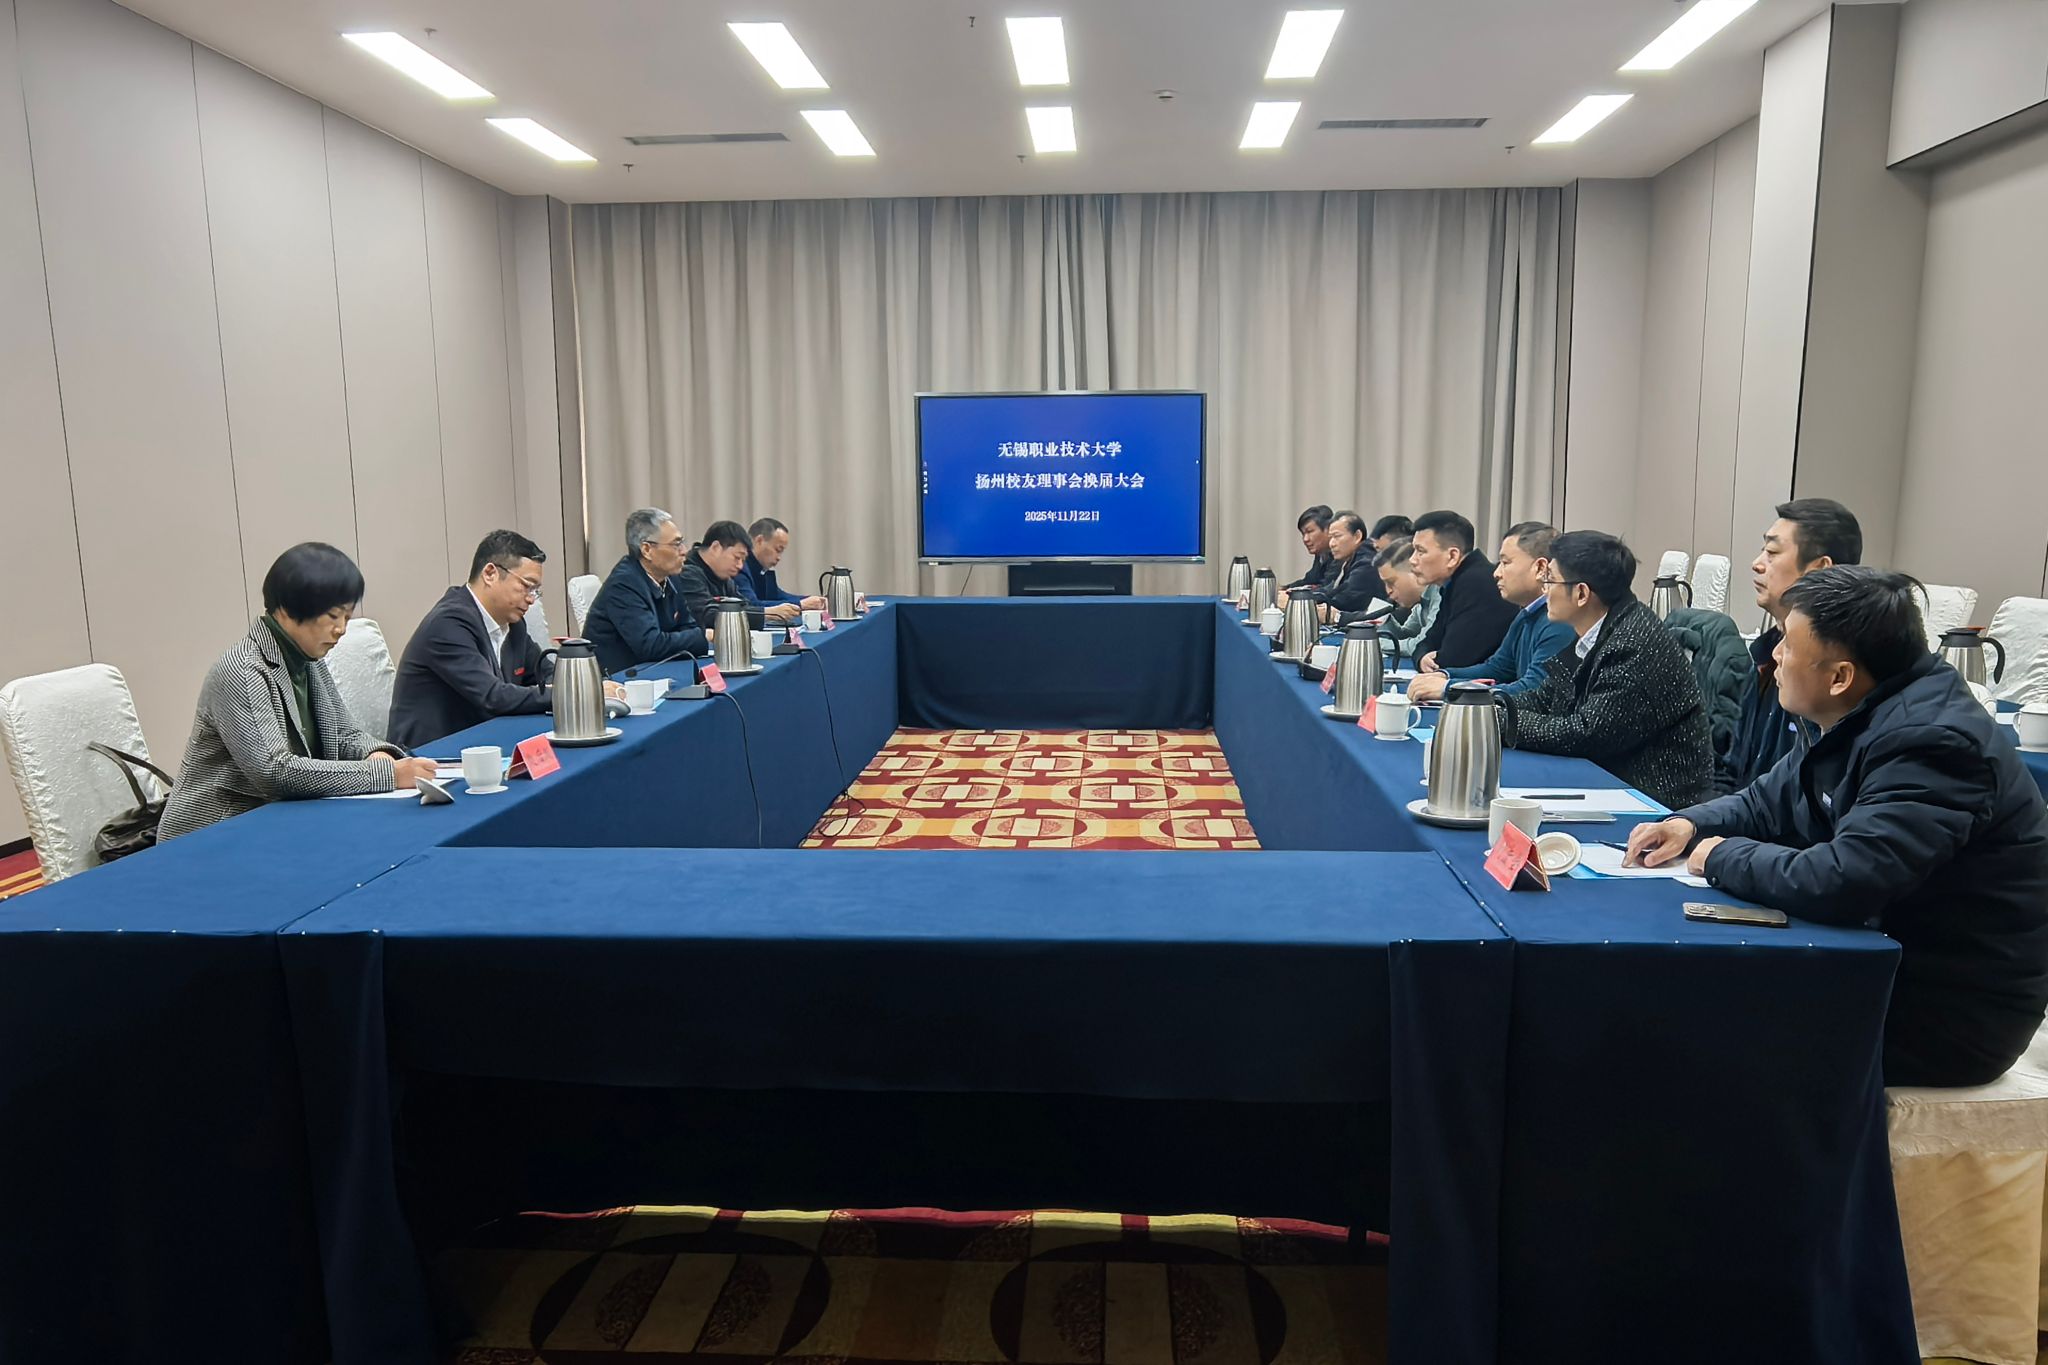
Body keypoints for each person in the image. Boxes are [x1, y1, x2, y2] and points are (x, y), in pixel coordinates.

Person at [1628, 567, 2048, 1087]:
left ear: (1840, 676)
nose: (1774, 655)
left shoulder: (1932, 743)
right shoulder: (1858, 711)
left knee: (1689, 1026)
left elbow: (1845, 880)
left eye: (1787, 644)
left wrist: (1720, 856)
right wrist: (1690, 825)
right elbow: (1766, 802)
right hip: (1881, 963)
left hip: (1946, 1014)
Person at [158, 543, 436, 839]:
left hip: (278, 824)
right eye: (333, 616)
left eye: (347, 616)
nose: (341, 629)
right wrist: (388, 775)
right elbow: (274, 771)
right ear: (287, 611)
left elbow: (344, 734)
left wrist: (375, 754)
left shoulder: (308, 660)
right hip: (212, 834)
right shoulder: (242, 670)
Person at [1499, 530, 1714, 809]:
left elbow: (1585, 734)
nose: (1545, 589)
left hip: (1655, 803)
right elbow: (1546, 698)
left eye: (1550, 579)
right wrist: (1487, 707)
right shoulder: (1597, 630)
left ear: (1581, 593)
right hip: (1608, 782)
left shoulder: (1633, 643)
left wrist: (1503, 723)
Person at [388, 530, 618, 749]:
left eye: (536, 590)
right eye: (526, 586)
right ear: (490, 574)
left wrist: (572, 683)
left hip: (483, 740)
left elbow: (543, 672)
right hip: (431, 755)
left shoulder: (513, 623)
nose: (531, 599)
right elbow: (493, 696)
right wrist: (578, 692)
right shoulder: (448, 623)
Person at [1726, 498, 1862, 790]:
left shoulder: (1833, 674)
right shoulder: (1765, 655)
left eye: (1773, 552)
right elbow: (1732, 772)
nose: (1757, 564)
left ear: (1820, 570)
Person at [1409, 523, 1576, 702]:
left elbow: (1533, 691)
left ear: (1541, 568)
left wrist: (1449, 688)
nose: (1496, 573)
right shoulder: (1526, 614)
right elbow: (1498, 668)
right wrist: (1444, 675)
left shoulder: (1559, 622)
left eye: (1506, 563)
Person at [583, 508, 713, 675]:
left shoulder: (671, 576)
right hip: (618, 678)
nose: (684, 550)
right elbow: (651, 645)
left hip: (656, 669)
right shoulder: (623, 585)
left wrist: (694, 636)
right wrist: (703, 636)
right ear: (647, 550)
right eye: (676, 544)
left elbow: (688, 625)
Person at [1410, 510, 1519, 671]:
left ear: (1452, 556)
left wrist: (1430, 659)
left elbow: (1452, 660)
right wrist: (1421, 658)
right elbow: (1428, 641)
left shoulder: (1476, 584)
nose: (1412, 560)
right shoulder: (1455, 582)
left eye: (1421, 552)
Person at [1336, 539, 1438, 651]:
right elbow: (1405, 635)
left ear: (1415, 571)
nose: (1388, 591)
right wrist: (1385, 618)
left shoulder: (1440, 596)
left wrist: (1374, 643)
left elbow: (1420, 645)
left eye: (1391, 582)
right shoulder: (1420, 604)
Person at [735, 517, 828, 625]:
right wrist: (801, 604)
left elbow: (777, 595)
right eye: (778, 550)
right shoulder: (739, 568)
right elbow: (751, 605)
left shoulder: (761, 568)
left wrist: (809, 600)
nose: (779, 557)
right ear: (759, 540)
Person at [677, 521, 767, 631]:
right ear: (715, 547)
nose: (740, 566)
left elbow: (745, 606)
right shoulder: (687, 573)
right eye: (737, 557)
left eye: (743, 561)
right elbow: (706, 615)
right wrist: (767, 613)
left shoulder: (725, 578)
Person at [1284, 511, 1377, 616]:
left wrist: (1300, 601)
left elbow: (1344, 599)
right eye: (1331, 537)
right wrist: (1298, 596)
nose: (1331, 544)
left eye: (1337, 536)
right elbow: (1332, 590)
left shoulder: (1367, 563)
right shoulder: (1350, 560)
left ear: (1357, 536)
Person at [1282, 506, 1335, 592]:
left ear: (1328, 530)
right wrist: (1285, 588)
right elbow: (1309, 580)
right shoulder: (1321, 554)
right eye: (1303, 534)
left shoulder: (1339, 554)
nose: (1305, 539)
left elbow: (1327, 588)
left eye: (1310, 531)